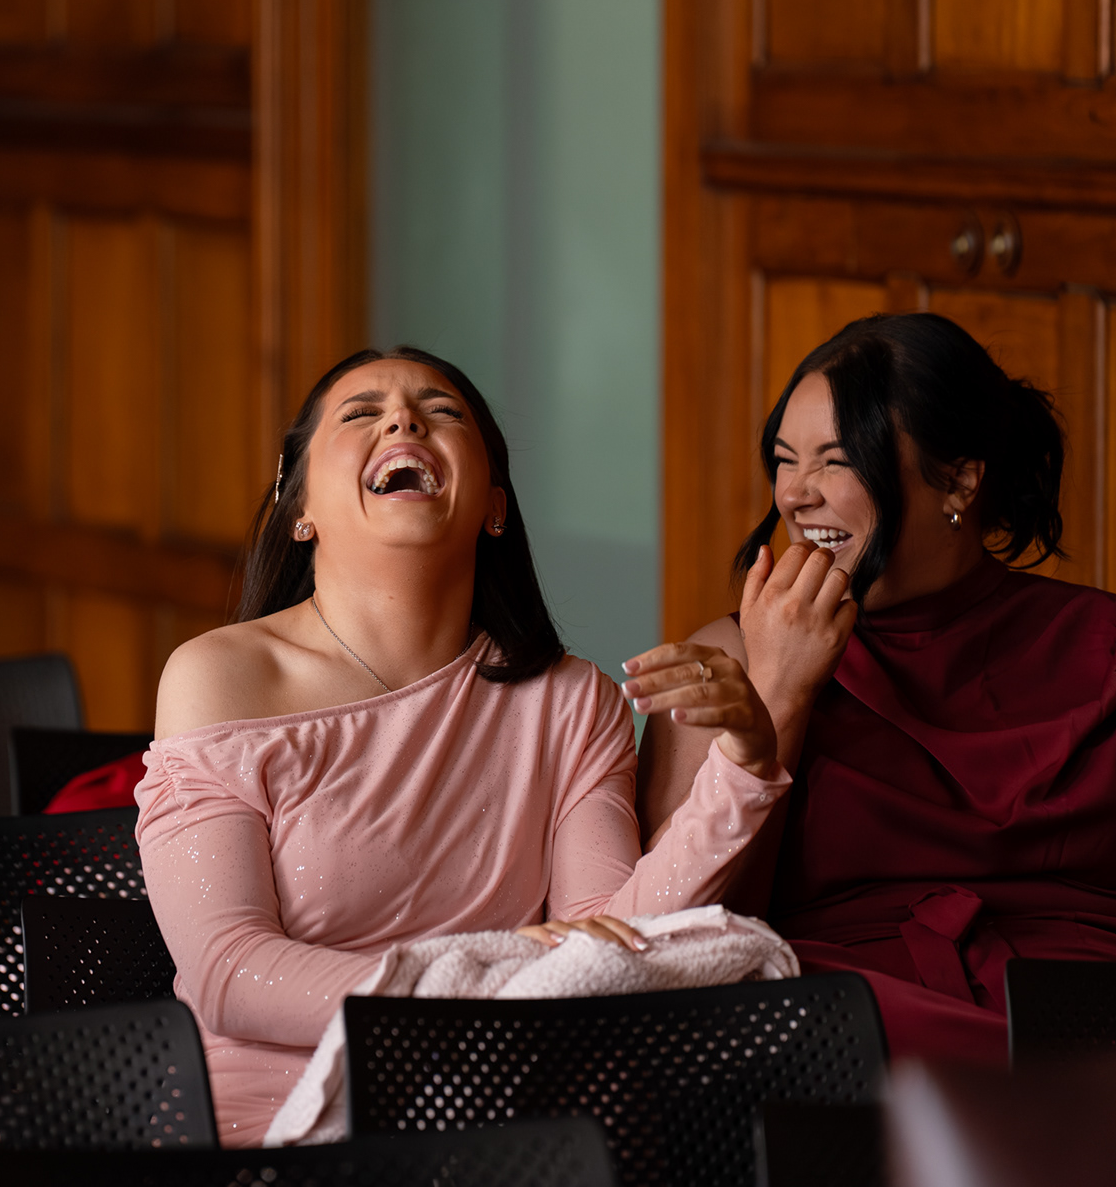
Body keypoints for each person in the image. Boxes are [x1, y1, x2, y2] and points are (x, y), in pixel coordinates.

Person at [625, 313, 1116, 1065]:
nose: (795, 495)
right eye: (786, 460)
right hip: (849, 1054)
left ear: (958, 477)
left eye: (836, 460)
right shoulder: (724, 660)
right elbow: (685, 943)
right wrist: (781, 694)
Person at [137, 346, 789, 1146]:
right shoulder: (219, 676)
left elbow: (609, 948)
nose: (403, 419)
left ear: (495, 506)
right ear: (299, 504)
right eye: (361, 412)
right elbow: (228, 971)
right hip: (269, 1119)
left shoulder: (568, 699)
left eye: (441, 411)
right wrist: (484, 980)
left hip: (496, 1115)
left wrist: (745, 768)